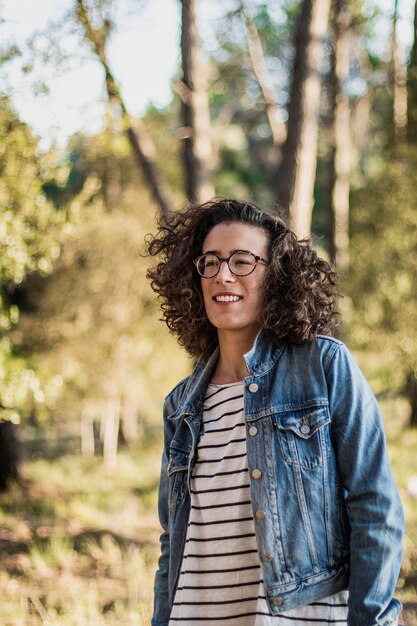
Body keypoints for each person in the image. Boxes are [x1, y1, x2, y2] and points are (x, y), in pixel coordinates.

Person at [146, 198, 404, 626]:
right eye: (209, 262)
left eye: (242, 261)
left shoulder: (323, 367)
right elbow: (172, 543)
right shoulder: (181, 405)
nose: (222, 274)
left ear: (277, 275)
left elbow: (375, 506)